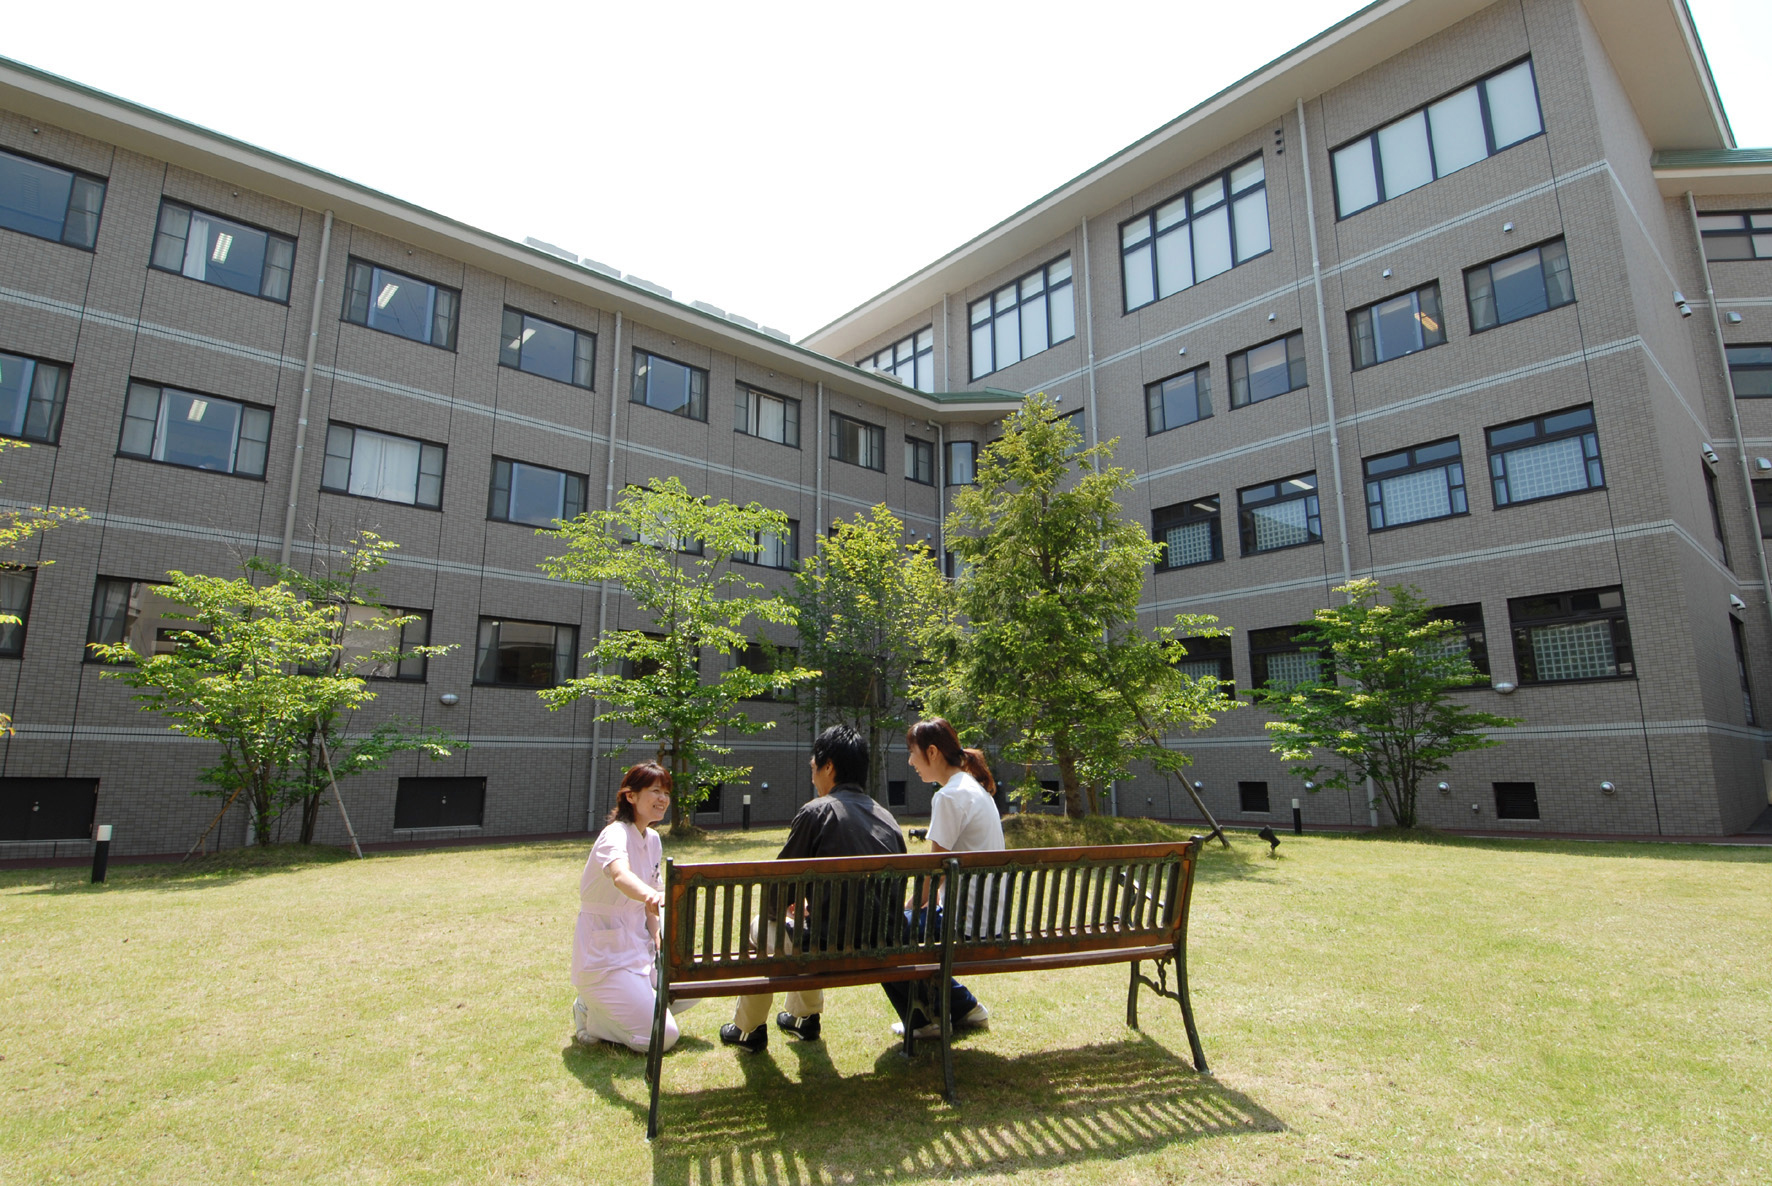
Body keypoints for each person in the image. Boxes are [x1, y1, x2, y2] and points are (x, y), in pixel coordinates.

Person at [719, 724, 906, 1053]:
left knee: (763, 928)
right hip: (882, 946)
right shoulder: (887, 819)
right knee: (803, 930)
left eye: (813, 768)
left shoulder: (816, 812)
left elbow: (779, 890)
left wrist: (783, 912)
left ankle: (748, 1029)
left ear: (829, 767)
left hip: (828, 949)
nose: (812, 776)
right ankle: (802, 1018)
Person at [884, 718, 1002, 1040]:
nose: (911, 762)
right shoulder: (975, 790)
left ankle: (925, 1021)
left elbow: (934, 872)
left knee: (884, 934)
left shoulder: (949, 796)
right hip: (990, 920)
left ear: (933, 752)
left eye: (913, 753)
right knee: (904, 928)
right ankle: (964, 1008)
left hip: (964, 924)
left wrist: (907, 908)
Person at [571, 762, 694, 1053]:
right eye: (655, 791)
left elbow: (655, 897)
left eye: (666, 793)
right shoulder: (614, 834)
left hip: (640, 951)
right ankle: (592, 1015)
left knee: (693, 982)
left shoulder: (653, 839)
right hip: (605, 960)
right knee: (664, 1037)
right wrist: (649, 895)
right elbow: (620, 876)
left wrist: (659, 934)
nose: (663, 798)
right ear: (631, 796)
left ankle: (626, 1006)